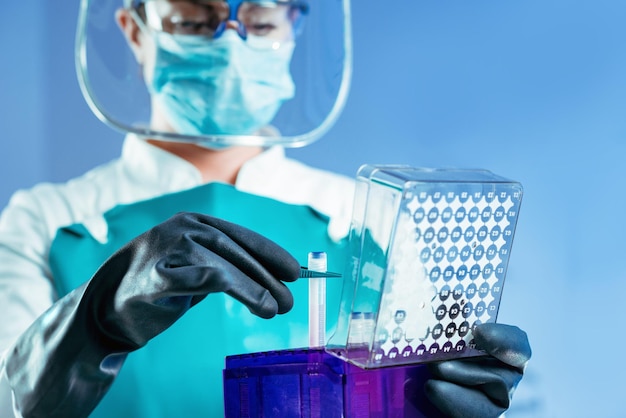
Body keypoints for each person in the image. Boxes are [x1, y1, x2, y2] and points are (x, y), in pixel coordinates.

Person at [0, 1, 531, 417]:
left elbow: (415, 393)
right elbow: (11, 404)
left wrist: (435, 403)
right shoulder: (47, 220)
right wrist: (97, 317)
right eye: (192, 20)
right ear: (135, 30)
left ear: (293, 26)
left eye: (259, 22)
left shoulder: (368, 217)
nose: (230, 43)